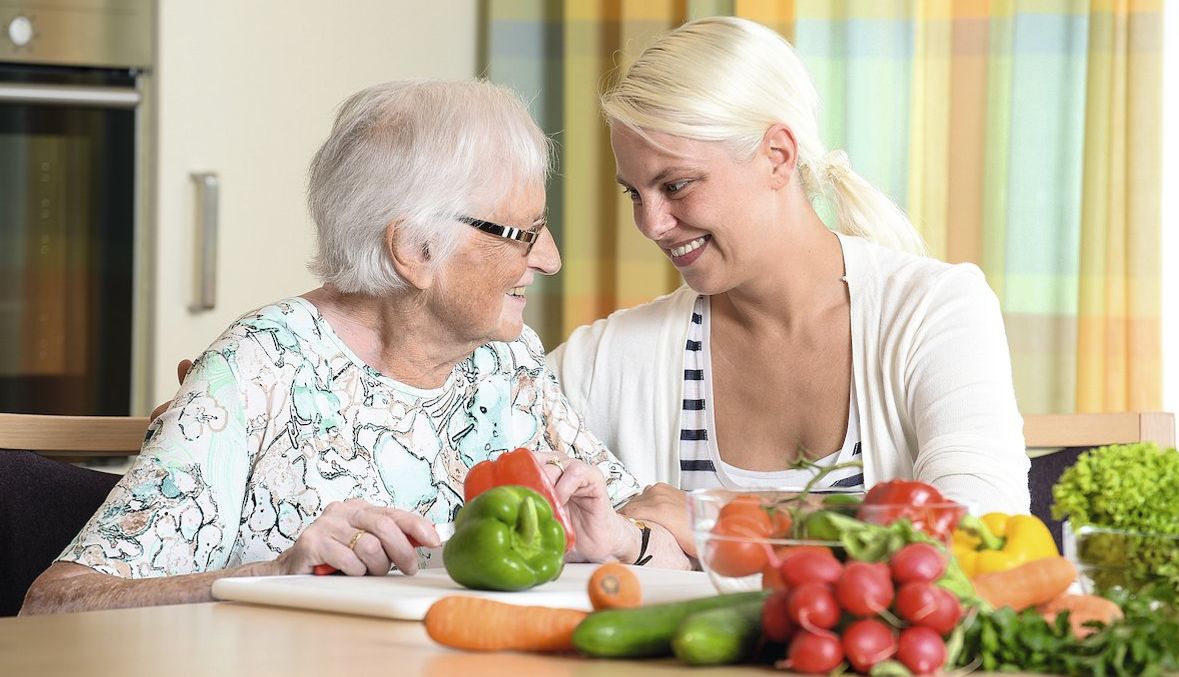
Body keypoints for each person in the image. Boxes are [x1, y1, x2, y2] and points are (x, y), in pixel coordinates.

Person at [21, 79, 689, 615]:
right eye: (524, 232)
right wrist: (277, 576)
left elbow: (674, 563)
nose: (550, 258)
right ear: (414, 249)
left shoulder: (506, 366)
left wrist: (626, 542)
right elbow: (54, 605)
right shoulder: (259, 368)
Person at [546, 17, 1030, 554]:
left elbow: (981, 527)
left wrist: (719, 514)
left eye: (675, 185)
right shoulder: (606, 359)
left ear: (777, 156)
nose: (652, 223)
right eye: (634, 193)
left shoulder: (935, 310)